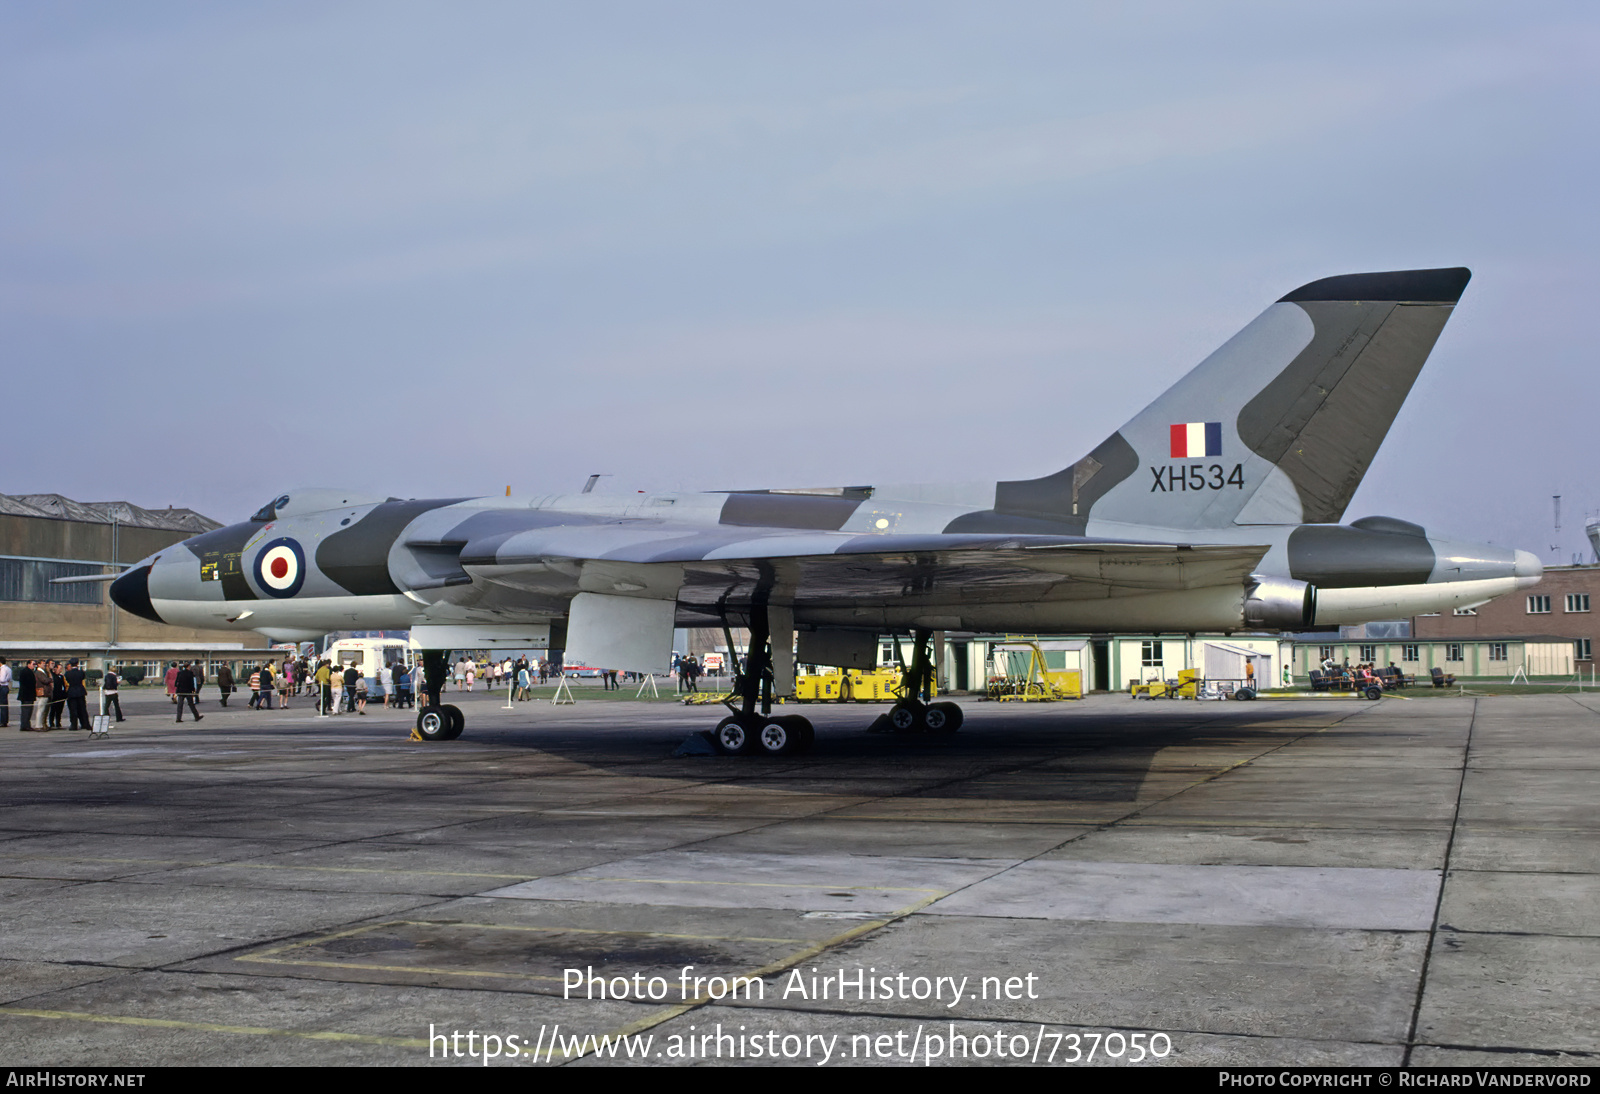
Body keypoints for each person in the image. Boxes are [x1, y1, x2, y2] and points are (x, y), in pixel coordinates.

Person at [64, 660, 92, 731]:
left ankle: (74, 725)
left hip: (72, 692)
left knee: (73, 710)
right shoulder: (81, 672)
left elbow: (67, 680)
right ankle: (86, 724)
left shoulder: (67, 673)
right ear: (77, 664)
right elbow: (82, 679)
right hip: (80, 691)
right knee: (82, 709)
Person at [17, 660, 39, 731]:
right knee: (26, 711)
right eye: (33, 664)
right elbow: (28, 683)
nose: (34, 666)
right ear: (28, 664)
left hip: (28, 694)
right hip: (26, 695)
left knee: (28, 711)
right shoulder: (26, 672)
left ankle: (26, 724)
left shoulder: (30, 671)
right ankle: (25, 725)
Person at [0, 656, 9, 727]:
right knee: (4, 704)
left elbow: (2, 679)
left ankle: (3, 721)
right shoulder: (8, 668)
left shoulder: (2, 669)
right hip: (6, 686)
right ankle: (5, 720)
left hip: (2, 686)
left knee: (2, 705)